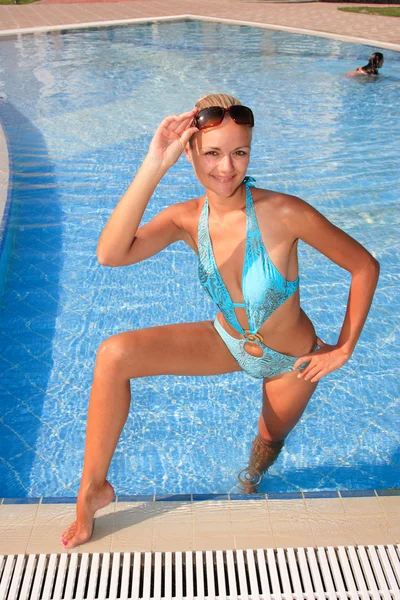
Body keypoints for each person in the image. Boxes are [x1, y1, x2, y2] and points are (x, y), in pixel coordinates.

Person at [61, 93, 379, 548]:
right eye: (212, 153)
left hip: (292, 362)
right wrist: (155, 163)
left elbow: (364, 266)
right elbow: (110, 254)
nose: (226, 167)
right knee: (114, 354)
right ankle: (92, 489)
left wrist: (344, 347)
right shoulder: (185, 219)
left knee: (266, 444)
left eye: (239, 152)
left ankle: (250, 479)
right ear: (189, 151)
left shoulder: (286, 212)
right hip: (226, 341)